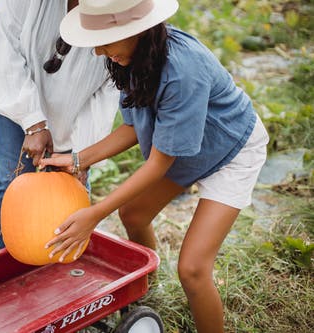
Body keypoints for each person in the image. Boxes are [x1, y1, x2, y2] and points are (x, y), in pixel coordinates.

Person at [39, 0, 269, 332]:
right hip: (183, 146)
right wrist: (77, 159)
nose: (98, 52)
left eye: (105, 41)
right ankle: (149, 291)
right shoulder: (135, 57)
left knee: (192, 269)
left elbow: (160, 163)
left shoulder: (182, 70)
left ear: (136, 30)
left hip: (232, 149)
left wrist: (95, 213)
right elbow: (132, 127)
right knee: (133, 213)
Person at [0, 0, 120, 256]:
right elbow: (4, 50)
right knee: (13, 179)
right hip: (14, 95)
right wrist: (33, 122)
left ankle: (61, 264)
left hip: (75, 107)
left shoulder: (117, 9)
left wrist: (83, 155)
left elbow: (106, 89)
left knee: (70, 184)